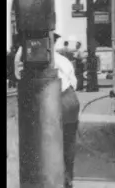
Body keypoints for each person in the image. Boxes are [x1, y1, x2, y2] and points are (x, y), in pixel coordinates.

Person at [14, 32, 80, 188]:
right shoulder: (62, 60)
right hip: (68, 99)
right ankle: (67, 178)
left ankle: (50, 178)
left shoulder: (24, 57)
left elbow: (18, 75)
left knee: (44, 142)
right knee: (67, 142)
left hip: (49, 101)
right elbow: (74, 83)